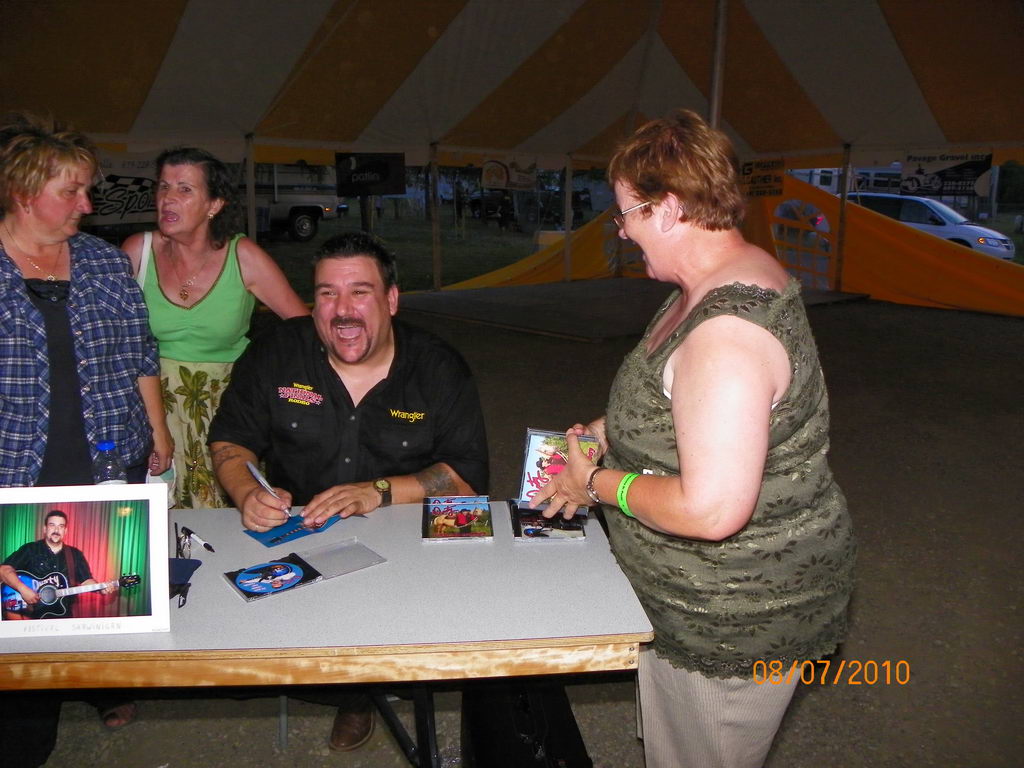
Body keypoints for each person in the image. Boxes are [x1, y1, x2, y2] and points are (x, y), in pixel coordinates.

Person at [532, 109, 856, 768]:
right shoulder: (717, 277)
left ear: (671, 209)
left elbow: (711, 511)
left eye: (625, 213)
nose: (621, 230)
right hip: (692, 597)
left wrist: (594, 483)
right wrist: (609, 430)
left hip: (731, 617)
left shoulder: (725, 335)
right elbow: (682, 400)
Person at [208, 230, 488, 751]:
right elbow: (230, 439)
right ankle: (344, 683)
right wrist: (246, 491)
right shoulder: (277, 351)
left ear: (391, 299)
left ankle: (360, 694)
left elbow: (467, 476)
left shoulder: (437, 366)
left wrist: (377, 491)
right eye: (327, 293)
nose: (342, 310)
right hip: (298, 538)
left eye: (360, 292)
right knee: (228, 647)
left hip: (404, 544)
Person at [0, 112, 166, 758]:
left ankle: (100, 681)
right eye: (71, 191)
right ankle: (26, 734)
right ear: (23, 193)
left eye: (87, 189)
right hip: (15, 467)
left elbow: (140, 352)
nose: (87, 205)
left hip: (107, 453)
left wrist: (158, 430)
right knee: (24, 599)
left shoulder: (102, 262)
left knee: (97, 577)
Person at [122, 147, 309, 509]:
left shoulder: (243, 256)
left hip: (228, 411)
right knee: (161, 515)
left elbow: (305, 329)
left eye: (184, 189)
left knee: (233, 513)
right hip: (153, 410)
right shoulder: (137, 252)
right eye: (163, 187)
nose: (168, 199)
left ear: (214, 204)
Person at [1, 510, 118, 620]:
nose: (56, 530)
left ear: (65, 531)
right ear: (45, 529)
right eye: (52, 525)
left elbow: (86, 581)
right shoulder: (30, 549)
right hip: (30, 617)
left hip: (63, 616)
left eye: (61, 526)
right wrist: (23, 589)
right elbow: (4, 570)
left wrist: (101, 588)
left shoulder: (75, 554)